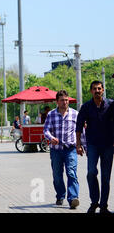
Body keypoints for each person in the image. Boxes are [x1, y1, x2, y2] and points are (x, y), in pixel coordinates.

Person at [76, 80, 113, 213]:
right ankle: (94, 202)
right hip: (93, 145)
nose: (97, 91)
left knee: (106, 177)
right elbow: (79, 126)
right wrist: (78, 144)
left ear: (103, 90)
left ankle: (103, 206)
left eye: (99, 89)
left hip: (108, 145)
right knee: (91, 172)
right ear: (91, 91)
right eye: (94, 89)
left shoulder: (111, 104)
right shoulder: (86, 107)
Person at [44, 89, 80, 210]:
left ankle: (73, 198)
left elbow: (81, 132)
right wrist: (51, 137)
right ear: (57, 102)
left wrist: (82, 146)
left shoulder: (75, 114)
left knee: (71, 173)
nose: (65, 102)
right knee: (57, 175)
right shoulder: (51, 114)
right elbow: (46, 130)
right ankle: (60, 195)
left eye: (66, 100)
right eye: (62, 100)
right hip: (56, 150)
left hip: (70, 149)